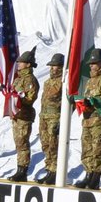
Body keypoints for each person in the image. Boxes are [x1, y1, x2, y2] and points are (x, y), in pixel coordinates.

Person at [73, 47, 101, 190]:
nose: (91, 65)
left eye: (94, 63)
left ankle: (95, 178)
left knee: (98, 149)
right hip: (87, 121)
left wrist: (94, 102)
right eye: (91, 63)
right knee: (87, 150)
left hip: (98, 120)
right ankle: (88, 174)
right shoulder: (90, 81)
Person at [8, 49, 40, 182]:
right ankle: (19, 168)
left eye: (21, 62)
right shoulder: (18, 79)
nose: (19, 64)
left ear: (28, 64)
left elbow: (30, 98)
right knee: (18, 143)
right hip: (17, 115)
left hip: (25, 114)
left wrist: (20, 97)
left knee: (22, 143)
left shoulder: (30, 80)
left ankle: (23, 170)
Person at [38, 53, 65, 183]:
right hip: (44, 116)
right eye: (51, 66)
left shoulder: (63, 81)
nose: (52, 68)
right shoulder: (47, 82)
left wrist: (62, 120)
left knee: (54, 145)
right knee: (46, 145)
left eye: (55, 66)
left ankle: (55, 171)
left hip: (55, 117)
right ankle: (49, 169)